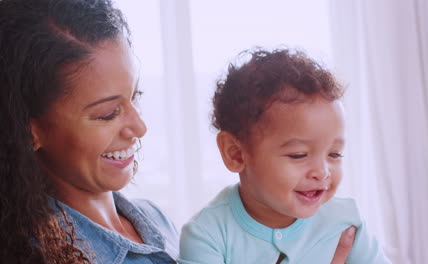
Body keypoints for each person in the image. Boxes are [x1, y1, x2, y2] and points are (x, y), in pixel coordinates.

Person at [0, 0, 178, 263]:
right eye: (108, 114)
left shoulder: (155, 219)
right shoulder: (32, 255)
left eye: (135, 95)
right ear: (30, 130)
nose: (140, 128)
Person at [179, 49, 391, 263]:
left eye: (334, 154)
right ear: (235, 154)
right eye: (298, 155)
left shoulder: (345, 221)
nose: (322, 172)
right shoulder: (207, 236)